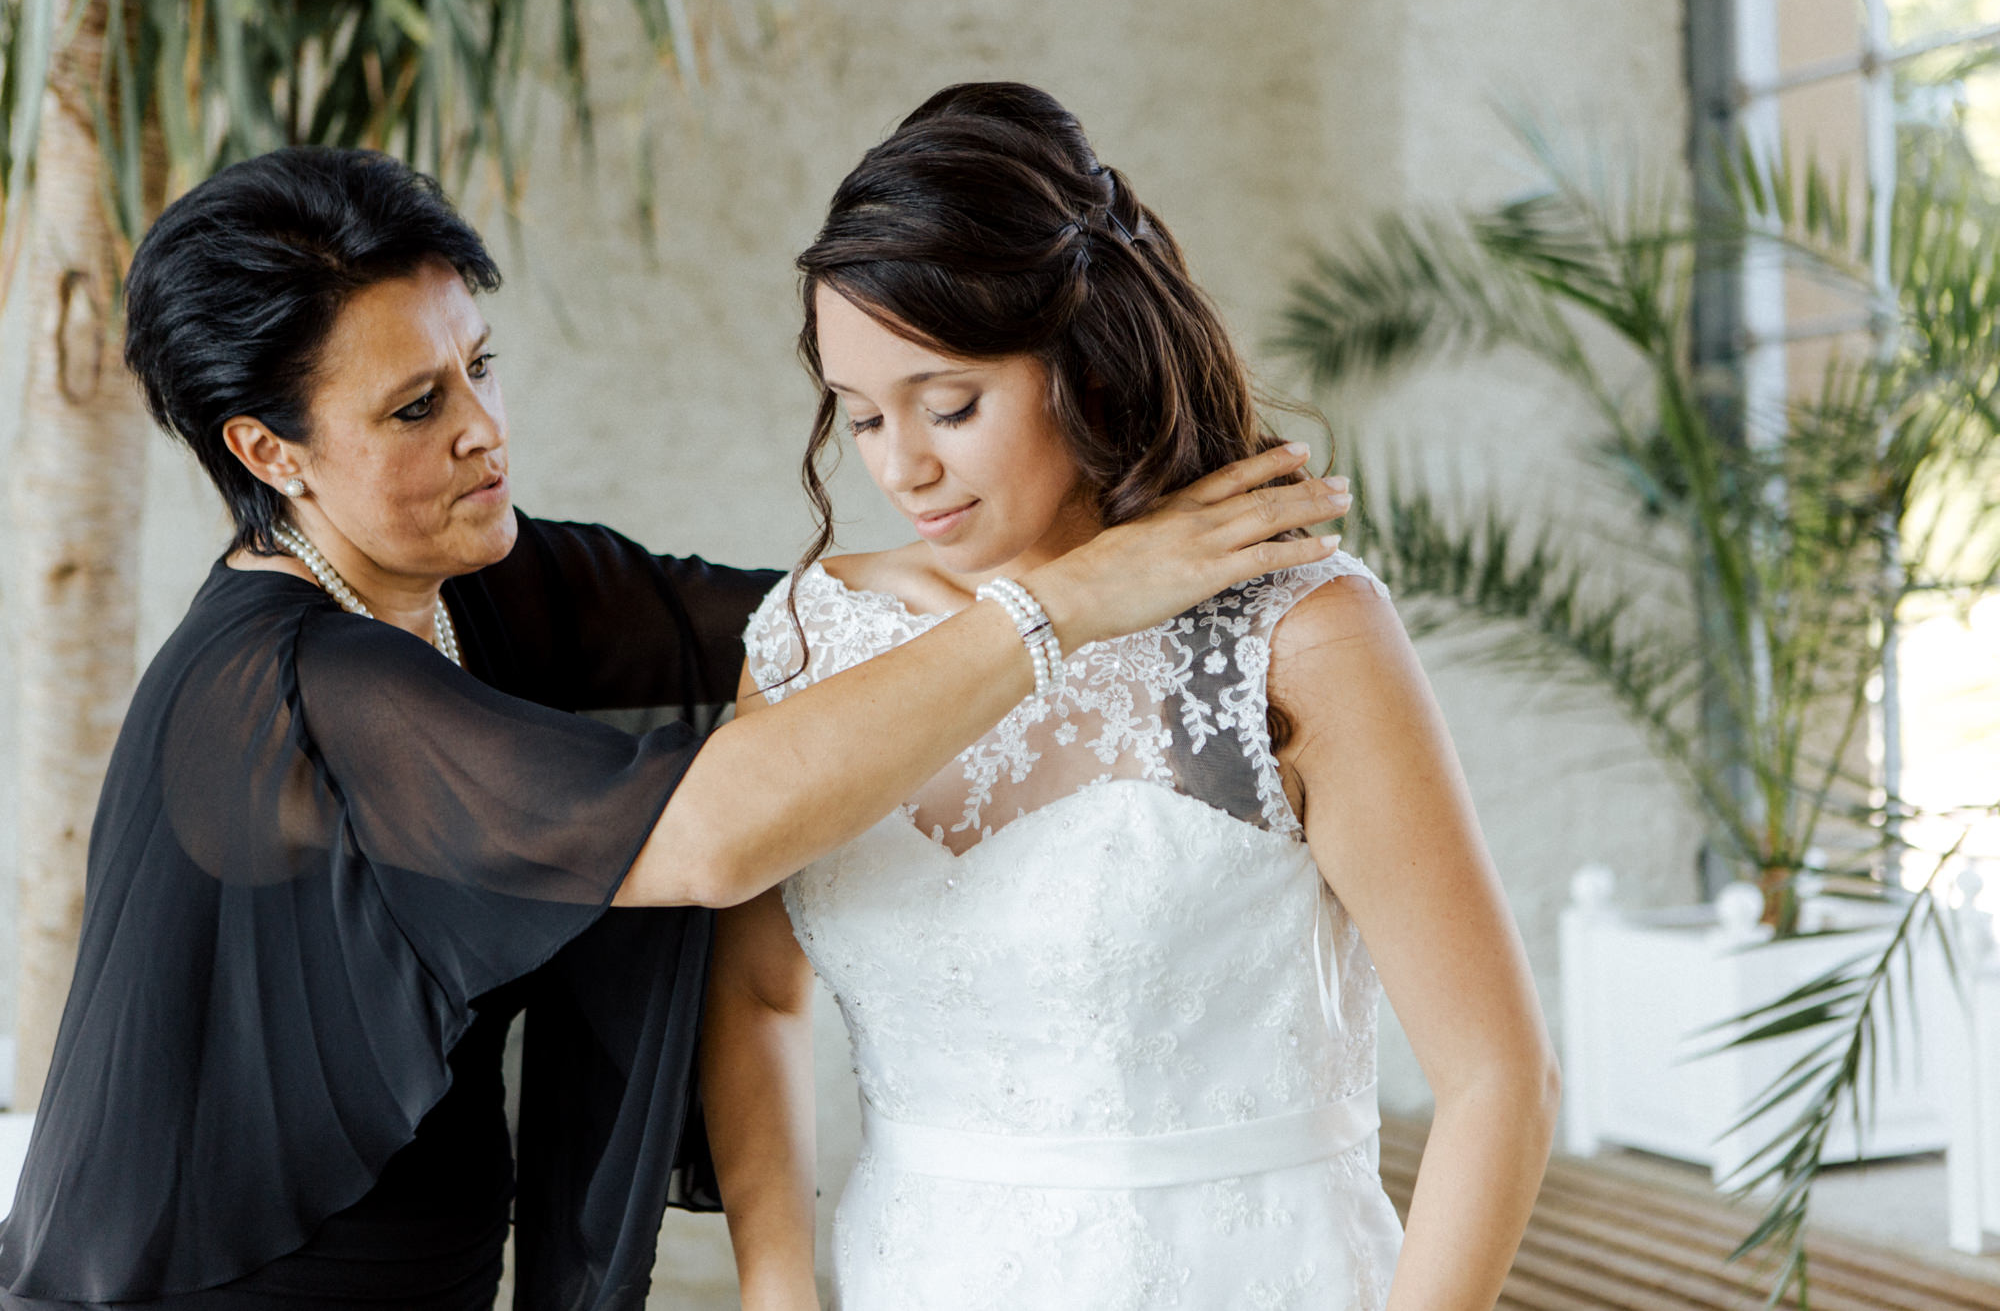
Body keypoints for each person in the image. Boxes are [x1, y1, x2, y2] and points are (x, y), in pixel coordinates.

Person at [0, 147, 1348, 1310]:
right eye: (417, 408)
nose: (484, 431)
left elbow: (823, 627)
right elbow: (704, 834)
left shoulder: (484, 580)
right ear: (267, 452)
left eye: (479, 366)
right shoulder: (294, 687)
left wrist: (1135, 554)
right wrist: (1063, 605)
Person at [704, 82, 1561, 1311]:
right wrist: (776, 1284)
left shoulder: (1289, 634)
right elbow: (753, 992)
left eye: (948, 404)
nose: (902, 467)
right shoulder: (809, 637)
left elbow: (1497, 1080)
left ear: (1085, 364)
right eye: (858, 416)